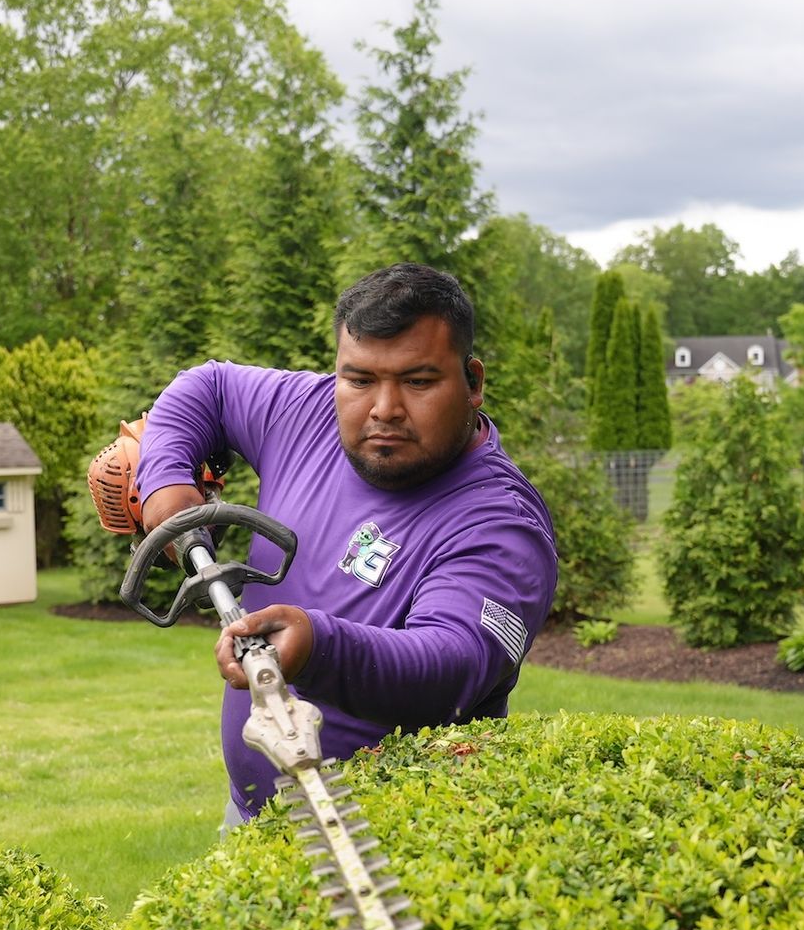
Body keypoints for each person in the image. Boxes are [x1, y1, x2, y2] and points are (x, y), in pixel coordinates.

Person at [137, 263, 559, 823]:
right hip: (251, 818)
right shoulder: (307, 413)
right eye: (359, 379)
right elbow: (207, 386)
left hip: (395, 840)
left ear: (473, 382)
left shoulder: (500, 524)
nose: (384, 407)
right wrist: (165, 483)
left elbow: (454, 663)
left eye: (418, 381)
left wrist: (319, 647)